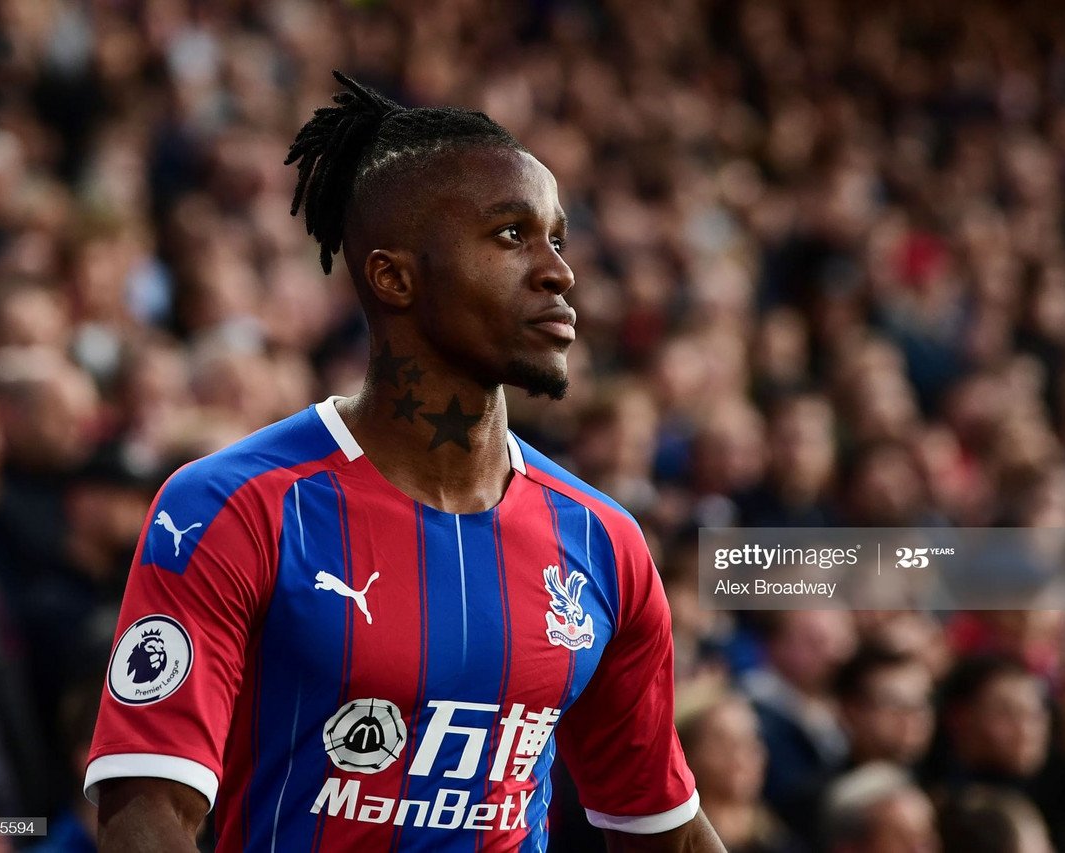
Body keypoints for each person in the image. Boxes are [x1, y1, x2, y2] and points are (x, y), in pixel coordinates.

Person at [85, 72, 723, 852]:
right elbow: (145, 814)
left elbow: (663, 828)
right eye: (511, 235)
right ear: (393, 276)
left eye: (557, 237)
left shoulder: (605, 541)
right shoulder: (234, 507)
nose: (560, 271)